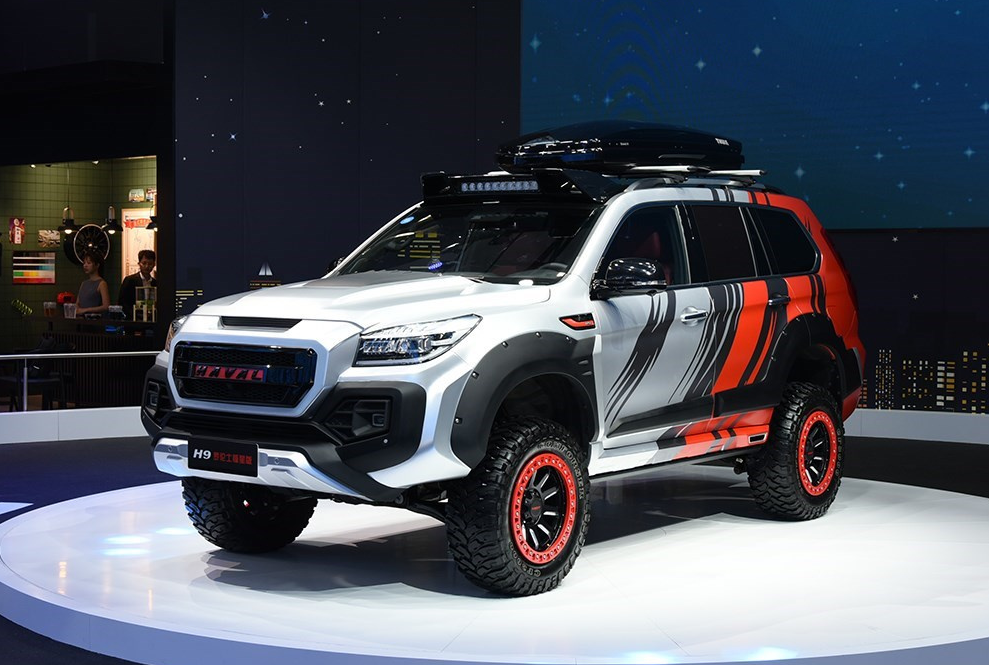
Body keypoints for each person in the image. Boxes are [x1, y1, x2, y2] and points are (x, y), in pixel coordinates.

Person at [119, 250, 158, 319]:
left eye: (150, 264)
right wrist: (135, 315)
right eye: (144, 263)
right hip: (133, 319)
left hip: (151, 319)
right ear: (139, 263)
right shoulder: (130, 280)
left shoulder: (155, 283)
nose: (147, 266)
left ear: (154, 265)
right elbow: (122, 302)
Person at [75, 252, 110, 317]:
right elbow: (77, 303)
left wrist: (86, 310)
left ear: (97, 265)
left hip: (95, 319)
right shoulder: (84, 283)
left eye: (89, 263)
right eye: (84, 263)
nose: (85, 265)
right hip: (81, 319)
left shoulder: (102, 284)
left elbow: (106, 306)